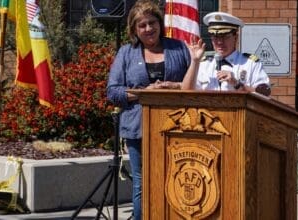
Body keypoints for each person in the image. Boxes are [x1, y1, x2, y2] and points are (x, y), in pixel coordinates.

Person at [106, 0, 204, 219]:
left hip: (178, 127)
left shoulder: (179, 48)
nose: (148, 29)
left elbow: (197, 84)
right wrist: (145, 93)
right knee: (143, 182)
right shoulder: (126, 53)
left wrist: (172, 86)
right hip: (139, 129)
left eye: (152, 23)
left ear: (160, 24)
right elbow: (113, 92)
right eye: (142, 25)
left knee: (177, 178)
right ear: (134, 29)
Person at [195, 12, 271, 96]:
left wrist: (236, 83)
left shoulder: (250, 63)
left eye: (225, 37)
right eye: (215, 37)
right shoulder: (204, 64)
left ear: (236, 37)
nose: (220, 42)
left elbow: (265, 93)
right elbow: (187, 91)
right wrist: (194, 62)